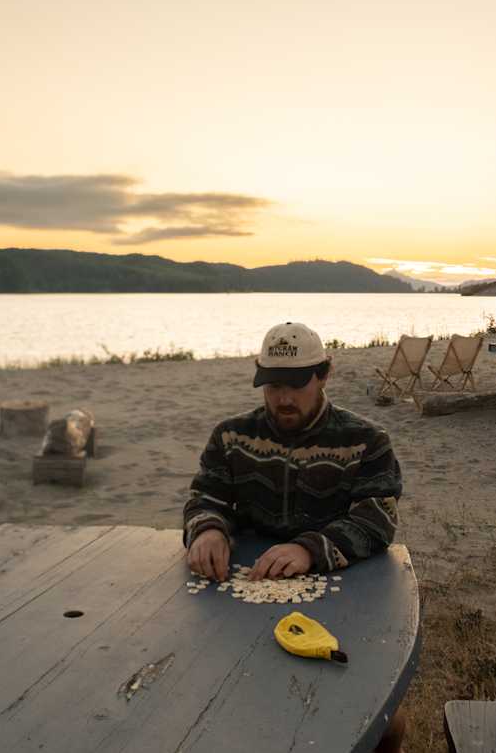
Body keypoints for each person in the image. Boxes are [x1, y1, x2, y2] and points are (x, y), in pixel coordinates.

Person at [183, 321, 407, 753]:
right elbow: (205, 496)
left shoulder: (367, 441)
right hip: (243, 596)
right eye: (272, 385)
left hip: (343, 596)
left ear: (325, 373)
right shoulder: (230, 436)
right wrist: (207, 528)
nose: (283, 399)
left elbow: (378, 517)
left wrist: (309, 548)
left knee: (383, 722)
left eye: (297, 384)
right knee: (225, 698)